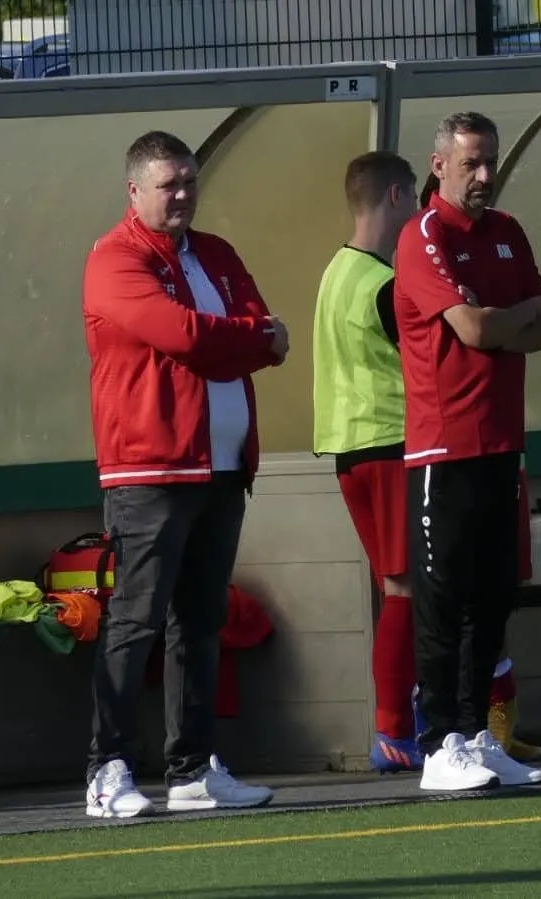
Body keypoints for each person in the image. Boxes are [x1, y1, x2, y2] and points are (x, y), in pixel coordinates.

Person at [82, 130, 282, 817]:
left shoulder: (217, 253)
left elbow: (259, 331)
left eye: (190, 181)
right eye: (168, 184)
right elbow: (186, 336)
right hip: (150, 469)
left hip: (223, 468)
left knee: (200, 623)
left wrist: (247, 339)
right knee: (135, 620)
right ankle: (107, 769)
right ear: (134, 190)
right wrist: (249, 339)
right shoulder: (115, 258)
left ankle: (193, 769)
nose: (182, 195)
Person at [396, 111, 541, 791]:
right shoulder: (424, 235)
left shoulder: (507, 232)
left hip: (502, 443)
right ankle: (438, 743)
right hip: (443, 449)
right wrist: (505, 318)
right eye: (471, 163)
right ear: (439, 165)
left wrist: (503, 321)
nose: (485, 175)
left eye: (491, 161)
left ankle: (473, 735)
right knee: (443, 601)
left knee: (493, 600)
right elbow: (469, 328)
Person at [311, 150, 426, 773]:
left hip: (349, 447)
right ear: (397, 196)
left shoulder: (335, 272)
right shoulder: (383, 283)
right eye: (414, 199)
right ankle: (395, 729)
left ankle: (403, 722)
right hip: (390, 440)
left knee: (395, 585)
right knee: (406, 587)